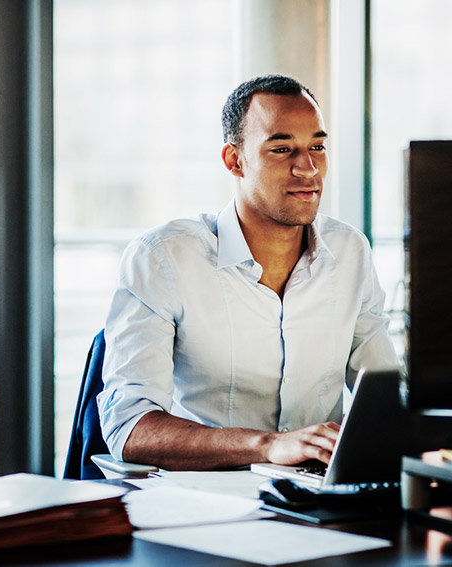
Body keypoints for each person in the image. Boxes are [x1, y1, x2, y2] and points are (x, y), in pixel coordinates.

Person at [97, 74, 400, 471]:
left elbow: (386, 397)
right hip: (209, 499)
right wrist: (268, 445)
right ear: (234, 160)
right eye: (281, 149)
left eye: (317, 147)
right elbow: (130, 428)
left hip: (322, 494)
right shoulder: (163, 258)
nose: (308, 168)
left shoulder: (349, 251)